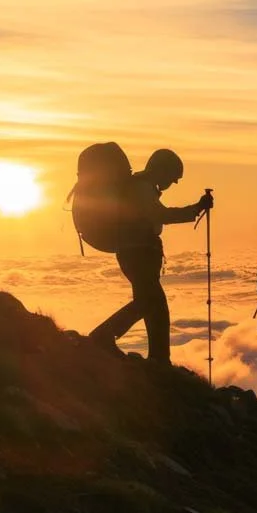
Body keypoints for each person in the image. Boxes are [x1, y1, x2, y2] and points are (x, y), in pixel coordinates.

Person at [89, 149, 212, 363]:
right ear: (161, 169)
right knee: (150, 303)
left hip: (135, 252)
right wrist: (196, 208)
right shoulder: (141, 188)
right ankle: (103, 336)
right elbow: (160, 215)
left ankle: (158, 358)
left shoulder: (140, 187)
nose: (172, 182)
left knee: (151, 304)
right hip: (139, 253)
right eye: (172, 177)